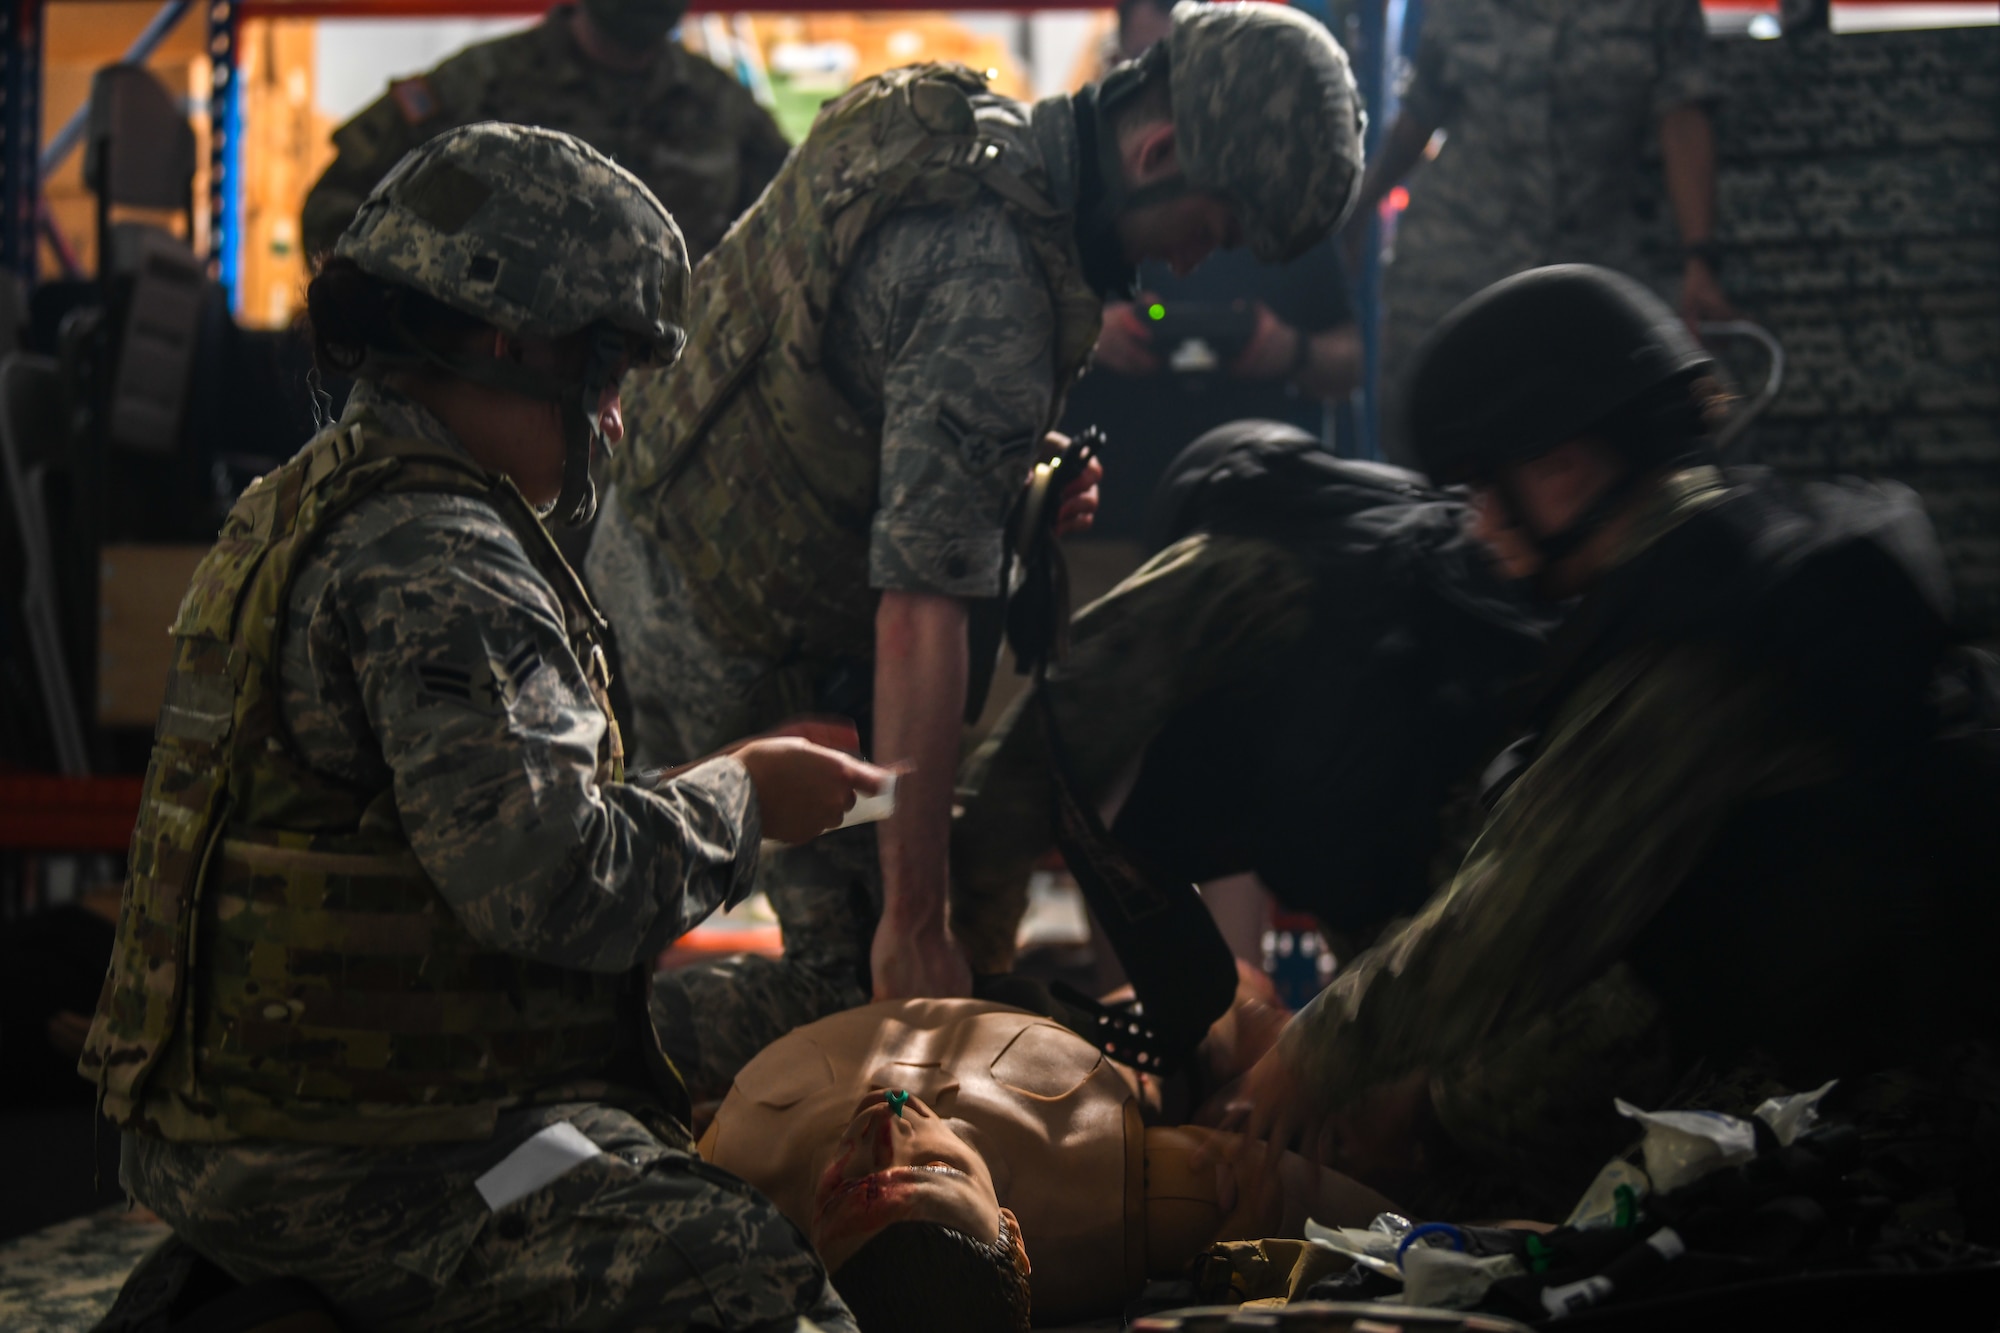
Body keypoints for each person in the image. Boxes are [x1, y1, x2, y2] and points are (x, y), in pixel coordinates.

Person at [79, 124, 891, 1331]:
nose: (610, 422)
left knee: (629, 1136)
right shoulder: (444, 556)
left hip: (258, 1123)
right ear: (511, 344)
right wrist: (744, 801)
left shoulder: (300, 503)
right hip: (379, 1161)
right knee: (738, 1272)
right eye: (603, 376)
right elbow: (548, 884)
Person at [592, 2, 1368, 1081]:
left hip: (636, 551)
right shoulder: (998, 281)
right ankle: (574, 1055)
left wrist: (1006, 474)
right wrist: (914, 919)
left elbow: (840, 360)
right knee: (861, 988)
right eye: (1211, 225)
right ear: (1158, 150)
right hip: (742, 639)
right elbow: (920, 611)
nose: (1197, 264)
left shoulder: (941, 119)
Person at [1210, 265, 2000, 1229]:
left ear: (1563, 467)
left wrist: (1313, 1058)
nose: (1478, 521)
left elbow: (1521, 903)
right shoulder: (1722, 567)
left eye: (1486, 485)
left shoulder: (1696, 643)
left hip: (1887, 1119)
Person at [952, 419, 1550, 980]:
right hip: (1530, 899)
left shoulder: (1227, 562)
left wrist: (976, 982)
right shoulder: (1418, 526)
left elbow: (1037, 759)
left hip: (1461, 935)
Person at [699, 997, 1397, 1331]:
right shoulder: (1108, 1197)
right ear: (1015, 1228)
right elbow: (1392, 1227)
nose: (887, 1124)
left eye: (847, 1185)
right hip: (1089, 1040)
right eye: (938, 1168)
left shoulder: (730, 1181)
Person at [1351, 0, 1736, 459]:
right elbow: (1421, 111)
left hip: (1590, 257)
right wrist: (1361, 206)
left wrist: (1700, 258)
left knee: (1610, 444)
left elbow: (1683, 116)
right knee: (1427, 443)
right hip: (1457, 255)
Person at [1068, 0, 1362, 538]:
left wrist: (1289, 350)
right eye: (1143, 66)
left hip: (1256, 529)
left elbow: (1353, 360)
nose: (1184, 264)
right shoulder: (1061, 201)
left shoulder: (1280, 195)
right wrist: (1084, 333)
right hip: (1107, 524)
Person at [300, 0, 790, 262]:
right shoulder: (478, 90)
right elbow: (336, 211)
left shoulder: (723, 109)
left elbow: (790, 239)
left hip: (679, 409)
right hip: (501, 410)